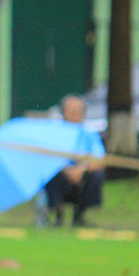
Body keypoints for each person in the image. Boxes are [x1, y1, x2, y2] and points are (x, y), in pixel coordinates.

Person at [44, 95, 106, 227]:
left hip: (83, 174)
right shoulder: (54, 132)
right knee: (50, 172)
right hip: (61, 173)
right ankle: (58, 215)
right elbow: (48, 156)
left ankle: (79, 216)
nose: (74, 114)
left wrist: (81, 169)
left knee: (97, 175)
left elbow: (99, 157)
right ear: (63, 112)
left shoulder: (89, 133)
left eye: (78, 111)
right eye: (71, 111)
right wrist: (67, 170)